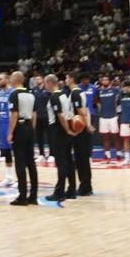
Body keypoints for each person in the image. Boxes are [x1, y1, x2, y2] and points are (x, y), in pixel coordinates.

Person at [6, 72, 38, 206]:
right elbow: (34, 114)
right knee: (31, 163)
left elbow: (14, 114)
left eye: (11, 77)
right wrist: (32, 128)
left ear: (15, 80)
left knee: (20, 162)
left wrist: (10, 133)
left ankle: (22, 196)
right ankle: (33, 196)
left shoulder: (14, 94)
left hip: (19, 127)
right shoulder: (31, 94)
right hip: (29, 127)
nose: (10, 79)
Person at [44, 74, 76, 202]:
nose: (45, 86)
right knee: (68, 161)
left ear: (50, 83)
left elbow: (60, 115)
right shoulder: (64, 95)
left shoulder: (54, 96)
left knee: (61, 162)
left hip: (58, 130)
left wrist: (67, 130)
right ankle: (72, 190)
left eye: (46, 84)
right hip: (66, 129)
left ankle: (59, 192)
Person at [66, 71, 93, 196]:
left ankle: (85, 187)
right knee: (83, 159)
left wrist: (86, 125)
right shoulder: (80, 92)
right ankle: (87, 185)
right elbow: (86, 110)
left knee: (81, 159)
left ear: (71, 79)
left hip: (79, 130)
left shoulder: (75, 93)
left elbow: (80, 111)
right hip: (82, 129)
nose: (66, 80)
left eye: (67, 78)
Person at [0, 71, 14, 187]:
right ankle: (9, 177)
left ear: (7, 79)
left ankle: (19, 178)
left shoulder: (13, 92)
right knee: (6, 152)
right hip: (2, 124)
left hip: (12, 123)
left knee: (16, 151)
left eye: (1, 79)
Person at [97, 74, 120, 163]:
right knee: (105, 137)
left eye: (106, 80)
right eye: (103, 80)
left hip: (113, 116)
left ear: (110, 81)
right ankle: (107, 155)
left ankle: (118, 154)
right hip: (103, 117)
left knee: (115, 136)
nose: (104, 81)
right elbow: (97, 101)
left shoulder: (115, 90)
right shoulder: (99, 91)